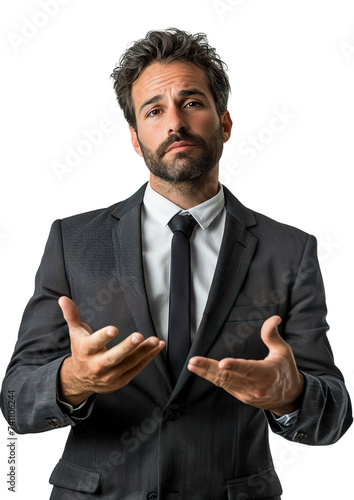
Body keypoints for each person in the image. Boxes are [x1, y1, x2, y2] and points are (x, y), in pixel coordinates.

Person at [1, 28, 352, 500]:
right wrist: (72, 380)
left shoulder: (289, 251)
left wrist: (290, 395)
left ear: (224, 123)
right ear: (134, 137)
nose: (175, 124)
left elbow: (332, 416)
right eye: (154, 110)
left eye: (192, 103)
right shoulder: (73, 240)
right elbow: (16, 401)